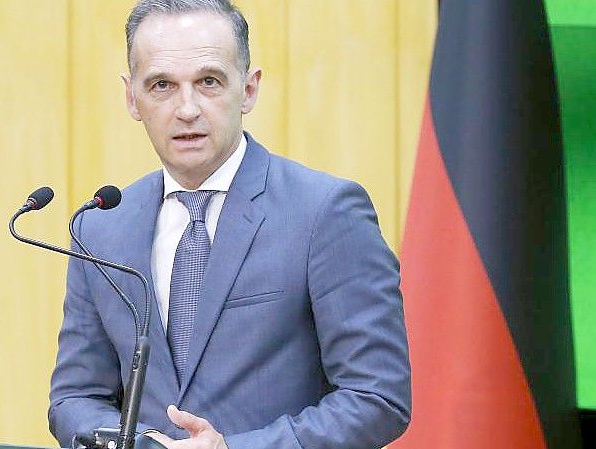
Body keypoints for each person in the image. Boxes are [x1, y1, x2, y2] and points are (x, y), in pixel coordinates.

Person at [48, 1, 411, 448]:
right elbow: (75, 398)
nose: (187, 109)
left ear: (249, 89)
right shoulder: (101, 227)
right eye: (161, 85)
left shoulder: (325, 212)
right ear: (132, 98)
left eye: (209, 82)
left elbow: (377, 396)